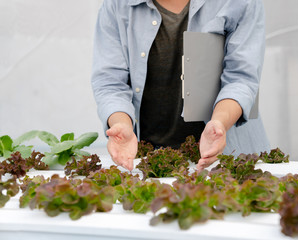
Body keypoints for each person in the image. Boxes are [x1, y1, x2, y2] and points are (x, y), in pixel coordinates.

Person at [91, 0, 270, 171]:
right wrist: (122, 124)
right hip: (151, 165)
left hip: (225, 158)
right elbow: (110, 82)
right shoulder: (116, 5)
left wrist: (219, 123)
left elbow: (241, 78)